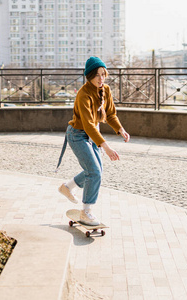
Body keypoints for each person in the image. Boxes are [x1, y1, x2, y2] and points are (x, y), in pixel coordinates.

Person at [57, 56, 130, 226]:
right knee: (94, 172)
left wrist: (121, 129)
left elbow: (111, 114)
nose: (101, 78)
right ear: (89, 76)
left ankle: (67, 187)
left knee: (95, 171)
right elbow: (89, 124)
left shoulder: (106, 90)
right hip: (77, 135)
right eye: (97, 75)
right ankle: (86, 212)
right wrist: (107, 147)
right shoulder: (84, 94)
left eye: (103, 74)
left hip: (91, 135)